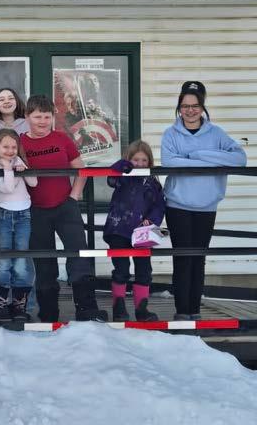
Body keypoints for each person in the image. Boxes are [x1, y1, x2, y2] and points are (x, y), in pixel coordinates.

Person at [161, 85, 246, 320]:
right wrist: (215, 161)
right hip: (178, 205)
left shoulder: (216, 134)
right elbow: (169, 161)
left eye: (195, 106)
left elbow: (239, 159)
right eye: (185, 106)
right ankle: (182, 312)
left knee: (199, 258)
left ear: (202, 107)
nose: (190, 111)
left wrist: (197, 155)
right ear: (179, 108)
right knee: (182, 258)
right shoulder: (170, 134)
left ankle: (195, 311)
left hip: (207, 206)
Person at [20, 95, 108, 322]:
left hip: (65, 207)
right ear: (27, 117)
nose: (42, 121)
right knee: (44, 261)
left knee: (78, 254)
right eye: (37, 117)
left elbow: (80, 168)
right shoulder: (20, 143)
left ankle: (86, 308)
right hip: (35, 210)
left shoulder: (62, 138)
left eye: (46, 117)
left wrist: (73, 197)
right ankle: (48, 313)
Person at [103, 140, 165, 322]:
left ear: (150, 162)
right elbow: (111, 178)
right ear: (129, 160)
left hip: (142, 232)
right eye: (136, 160)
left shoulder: (153, 183)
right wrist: (124, 166)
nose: (140, 164)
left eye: (144, 160)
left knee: (144, 271)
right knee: (121, 269)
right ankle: (119, 308)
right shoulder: (123, 176)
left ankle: (141, 309)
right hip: (118, 229)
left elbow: (159, 206)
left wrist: (152, 220)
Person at [0, 129, 37, 321]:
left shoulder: (19, 163)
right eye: (5, 147)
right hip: (3, 215)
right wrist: (9, 169)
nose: (10, 151)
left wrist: (22, 166)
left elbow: (34, 183)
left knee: (21, 259)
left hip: (23, 214)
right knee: (3, 260)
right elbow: (7, 188)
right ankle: (1, 303)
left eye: (14, 147)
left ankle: (19, 304)